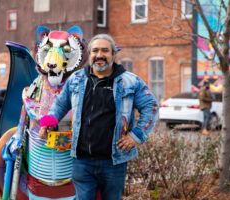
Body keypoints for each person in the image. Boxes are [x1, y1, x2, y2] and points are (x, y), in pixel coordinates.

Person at [39, 34, 159, 200]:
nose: (100, 55)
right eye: (95, 50)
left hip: (114, 162)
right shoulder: (76, 79)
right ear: (90, 54)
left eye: (105, 50)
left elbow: (151, 106)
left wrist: (137, 135)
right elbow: (60, 104)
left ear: (113, 54)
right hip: (81, 161)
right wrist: (49, 122)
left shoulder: (131, 82)